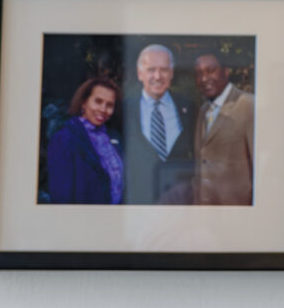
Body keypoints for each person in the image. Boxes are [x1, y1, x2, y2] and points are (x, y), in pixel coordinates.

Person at [121, 43, 196, 204]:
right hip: (138, 202)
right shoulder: (124, 109)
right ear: (140, 74)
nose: (158, 76)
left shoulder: (189, 108)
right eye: (151, 70)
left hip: (180, 203)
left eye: (164, 70)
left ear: (171, 74)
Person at [46, 77, 124, 205]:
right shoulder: (65, 139)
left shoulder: (115, 138)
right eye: (98, 101)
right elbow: (61, 196)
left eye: (109, 105)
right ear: (84, 102)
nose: (103, 109)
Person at [192, 53, 255, 205]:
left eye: (210, 70)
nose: (204, 78)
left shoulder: (248, 105)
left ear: (225, 72)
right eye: (199, 74)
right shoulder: (203, 111)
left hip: (236, 214)